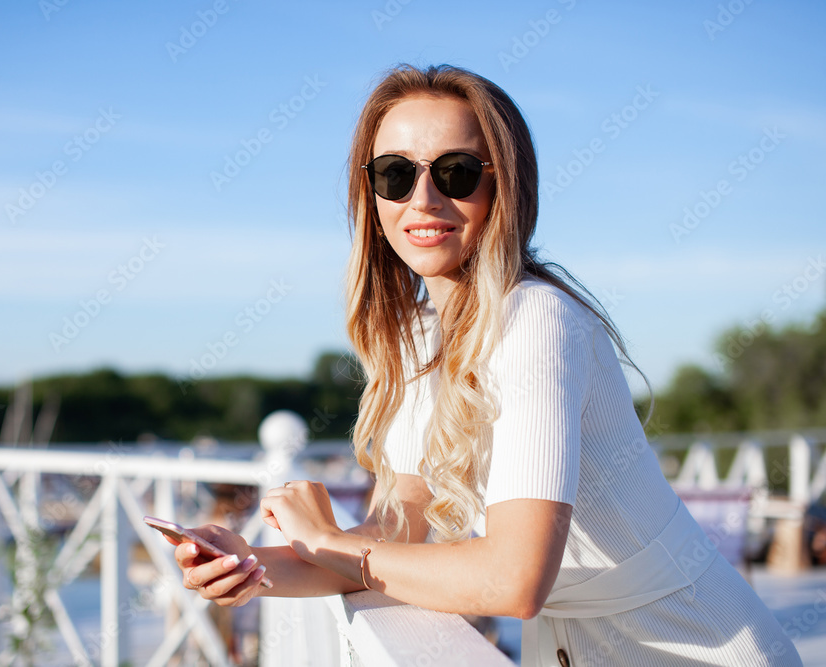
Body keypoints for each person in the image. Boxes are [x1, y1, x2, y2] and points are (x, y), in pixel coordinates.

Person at [168, 64, 802, 666]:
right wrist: (247, 563)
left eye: (457, 172)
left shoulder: (536, 322)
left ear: (505, 185)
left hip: (698, 647)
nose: (422, 198)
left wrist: (329, 541)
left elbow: (514, 580)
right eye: (394, 173)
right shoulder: (420, 338)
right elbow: (395, 537)